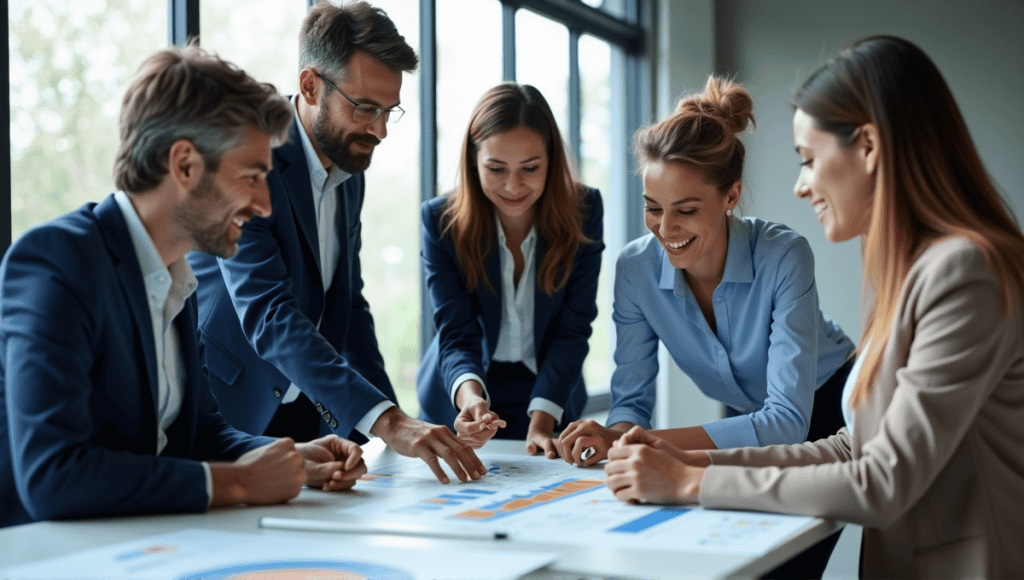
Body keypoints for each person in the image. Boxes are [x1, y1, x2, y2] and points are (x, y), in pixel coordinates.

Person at [605, 36, 1024, 579]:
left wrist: (691, 483)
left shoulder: (964, 271)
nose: (801, 186)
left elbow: (883, 481)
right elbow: (857, 446)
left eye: (808, 160)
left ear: (869, 146)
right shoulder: (907, 270)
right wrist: (690, 462)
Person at [0, 44, 369, 529]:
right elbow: (53, 476)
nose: (264, 205)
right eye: (252, 176)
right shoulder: (57, 263)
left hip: (141, 542)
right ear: (185, 165)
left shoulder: (177, 277)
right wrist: (234, 483)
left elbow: (200, 434)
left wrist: (289, 459)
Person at [188, 1, 485, 484]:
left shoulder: (349, 164)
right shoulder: (251, 160)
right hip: (231, 409)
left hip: (311, 414)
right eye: (365, 108)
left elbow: (347, 304)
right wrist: (389, 423)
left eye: (390, 111)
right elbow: (268, 312)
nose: (381, 130)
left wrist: (395, 420)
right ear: (310, 86)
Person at [558, 76, 854, 465]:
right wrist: (613, 438)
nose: (665, 229)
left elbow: (786, 422)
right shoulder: (635, 271)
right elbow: (631, 401)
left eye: (686, 210)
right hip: (745, 419)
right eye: (653, 208)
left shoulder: (784, 256)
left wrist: (634, 440)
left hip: (828, 411)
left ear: (730, 196)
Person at [416, 83, 604, 457]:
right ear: (473, 161)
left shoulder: (585, 210)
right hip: (461, 396)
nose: (513, 185)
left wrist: (543, 421)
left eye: (530, 168)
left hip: (551, 398)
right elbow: (455, 332)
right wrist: (469, 400)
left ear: (551, 161)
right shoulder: (441, 221)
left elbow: (573, 328)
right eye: (496, 168)